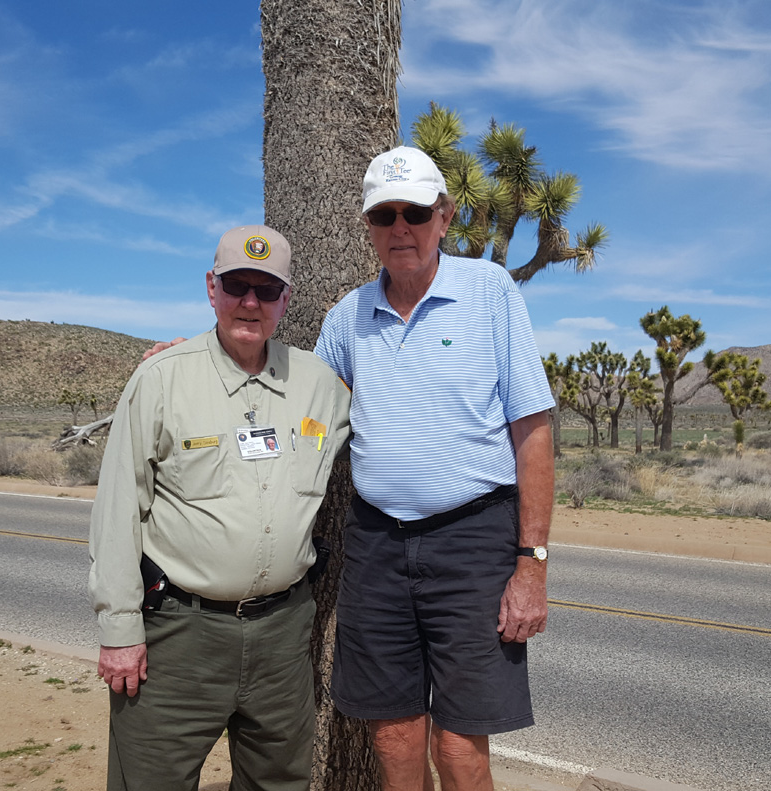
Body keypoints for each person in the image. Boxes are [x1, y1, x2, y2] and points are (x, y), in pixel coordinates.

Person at [146, 146, 555, 791]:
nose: (400, 228)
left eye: (415, 212)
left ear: (444, 217)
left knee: (459, 741)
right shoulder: (350, 314)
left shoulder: (490, 293)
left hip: (473, 539)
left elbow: (532, 431)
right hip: (378, 543)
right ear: (368, 226)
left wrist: (531, 563)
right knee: (392, 732)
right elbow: (291, 386)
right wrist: (202, 355)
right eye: (384, 215)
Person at [89, 224, 351, 791]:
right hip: (179, 637)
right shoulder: (162, 378)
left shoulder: (321, 387)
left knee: (278, 783)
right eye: (237, 285)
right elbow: (117, 512)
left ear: (286, 300)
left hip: (283, 636)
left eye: (267, 288)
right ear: (212, 289)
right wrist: (118, 631)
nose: (250, 302)